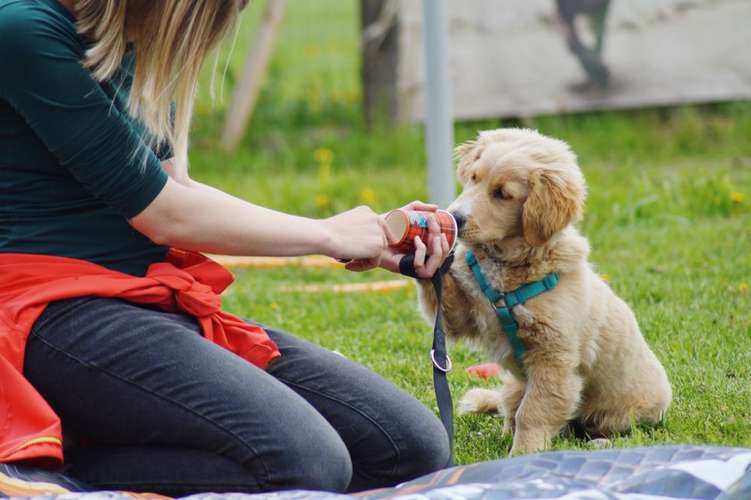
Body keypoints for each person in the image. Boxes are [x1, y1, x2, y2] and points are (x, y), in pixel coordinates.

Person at [0, 0, 451, 496]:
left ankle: (86, 440)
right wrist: (325, 233)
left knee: (409, 447)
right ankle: (44, 468)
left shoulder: (136, 38)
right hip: (46, 311)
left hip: (141, 299)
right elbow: (164, 214)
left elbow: (175, 187)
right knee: (306, 465)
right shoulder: (23, 31)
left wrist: (371, 239)